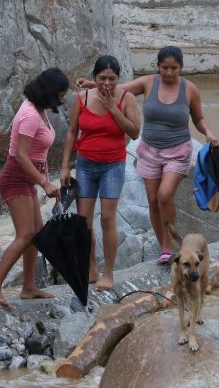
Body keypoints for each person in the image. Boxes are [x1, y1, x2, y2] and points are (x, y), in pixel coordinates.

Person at [77, 46, 218, 265]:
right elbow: (119, 88)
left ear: (181, 68)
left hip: (178, 150)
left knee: (164, 195)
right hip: (150, 149)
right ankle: (164, 248)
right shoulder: (148, 82)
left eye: (174, 68)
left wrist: (208, 132)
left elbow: (198, 119)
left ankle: (170, 244)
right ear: (158, 67)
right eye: (164, 68)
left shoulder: (189, 89)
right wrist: (93, 85)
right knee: (152, 200)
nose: (169, 72)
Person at [0, 68, 69, 309]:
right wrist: (45, 182)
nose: (62, 99)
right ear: (49, 92)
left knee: (37, 234)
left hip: (27, 178)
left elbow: (37, 153)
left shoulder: (39, 110)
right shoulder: (30, 114)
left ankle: (28, 286)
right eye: (60, 94)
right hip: (15, 178)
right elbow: (20, 156)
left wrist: (43, 178)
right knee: (25, 235)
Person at [60, 55, 141, 291]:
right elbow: (72, 133)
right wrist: (65, 166)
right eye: (102, 78)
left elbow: (134, 133)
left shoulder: (126, 99)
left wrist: (112, 110)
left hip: (112, 166)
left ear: (118, 79)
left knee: (107, 218)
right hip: (85, 165)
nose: (107, 83)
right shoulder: (82, 97)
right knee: (83, 221)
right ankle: (92, 269)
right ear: (95, 78)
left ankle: (108, 273)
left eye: (112, 79)